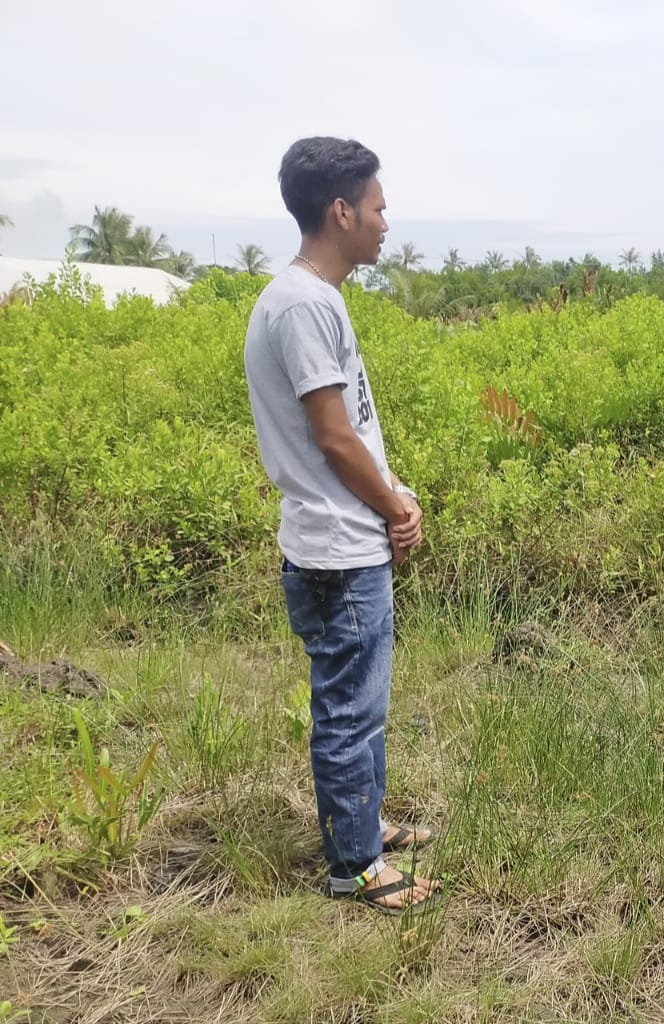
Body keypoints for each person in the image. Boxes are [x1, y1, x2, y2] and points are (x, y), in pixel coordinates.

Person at [243, 137, 440, 914]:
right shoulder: (300, 304)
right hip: (337, 548)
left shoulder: (316, 299)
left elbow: (352, 430)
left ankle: (366, 826)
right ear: (341, 210)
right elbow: (332, 436)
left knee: (364, 702)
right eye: (380, 207)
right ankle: (353, 866)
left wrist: (397, 490)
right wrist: (393, 507)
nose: (387, 222)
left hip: (347, 537)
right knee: (349, 709)